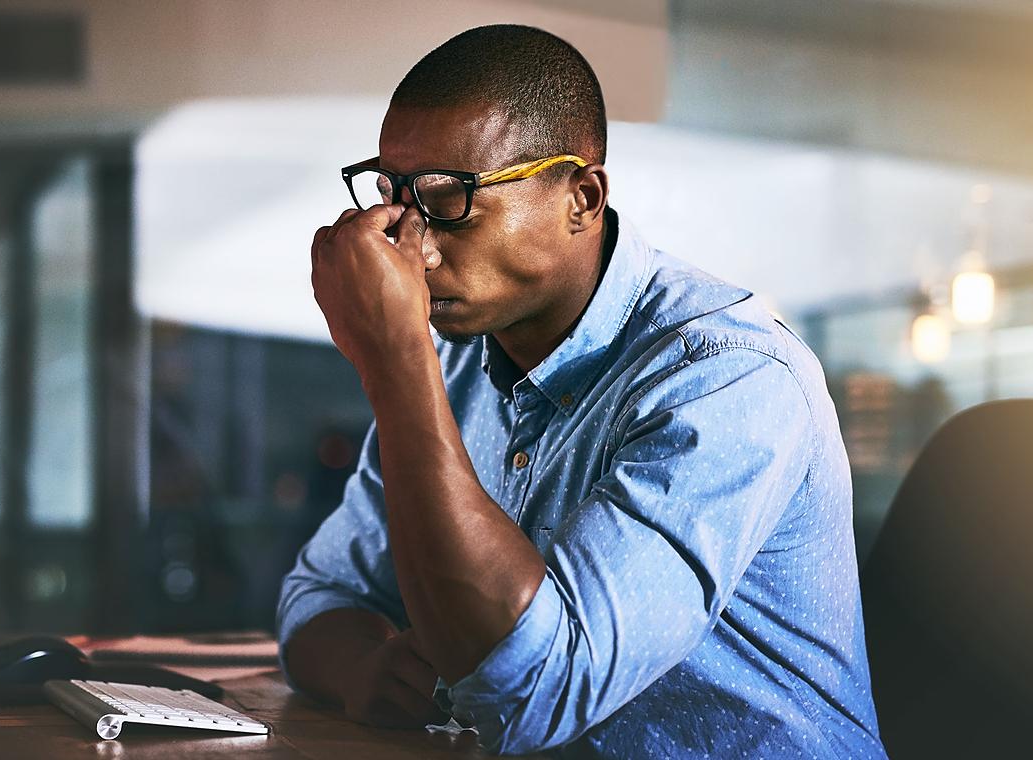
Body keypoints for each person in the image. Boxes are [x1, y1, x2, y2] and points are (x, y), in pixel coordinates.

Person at [278, 24, 885, 758]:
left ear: (582, 198)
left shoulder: (729, 378)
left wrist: (395, 359)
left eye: (450, 198)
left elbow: (533, 691)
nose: (416, 246)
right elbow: (318, 594)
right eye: (395, 198)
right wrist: (364, 669)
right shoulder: (462, 366)